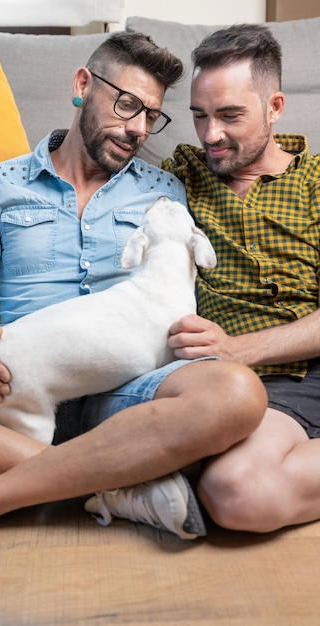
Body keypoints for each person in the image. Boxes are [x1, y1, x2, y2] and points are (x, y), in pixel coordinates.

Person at [0, 31, 265, 543]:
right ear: (82, 85)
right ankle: (110, 483)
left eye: (151, 116)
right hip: (6, 377)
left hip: (121, 390)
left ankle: (6, 475)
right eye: (126, 105)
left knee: (237, 394)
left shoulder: (165, 190)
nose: (138, 127)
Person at [159, 23, 320, 533]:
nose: (211, 135)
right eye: (199, 116)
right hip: (265, 389)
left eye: (230, 116)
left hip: (294, 360)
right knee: (237, 493)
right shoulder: (181, 176)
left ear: (274, 108)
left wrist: (237, 348)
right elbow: (82, 185)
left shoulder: (316, 184)